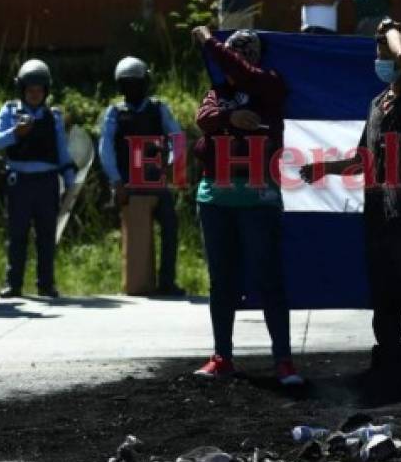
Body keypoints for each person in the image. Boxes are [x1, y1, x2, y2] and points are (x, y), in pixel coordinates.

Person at [300, 19, 401, 395]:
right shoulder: (377, 103)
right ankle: (388, 360)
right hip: (378, 210)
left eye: (383, 53)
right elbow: (361, 159)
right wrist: (323, 169)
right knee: (385, 291)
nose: (378, 59)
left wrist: (393, 28)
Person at [190, 26, 303, 387]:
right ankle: (221, 356)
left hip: (258, 198)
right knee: (221, 281)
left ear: (258, 56)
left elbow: (245, 73)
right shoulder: (218, 92)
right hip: (215, 198)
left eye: (247, 50)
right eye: (234, 50)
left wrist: (210, 42)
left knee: (269, 278)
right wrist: (229, 118)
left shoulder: (270, 84)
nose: (240, 57)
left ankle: (283, 361)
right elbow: (203, 118)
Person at [99, 57, 184, 297]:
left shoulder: (159, 108)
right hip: (129, 183)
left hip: (156, 180)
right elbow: (105, 149)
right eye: (127, 85)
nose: (132, 89)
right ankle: (138, 282)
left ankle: (167, 281)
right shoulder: (114, 112)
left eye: (136, 84)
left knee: (170, 227)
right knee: (136, 236)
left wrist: (170, 164)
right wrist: (116, 181)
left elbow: (177, 137)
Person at [0, 60, 75, 299]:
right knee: (17, 235)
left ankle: (46, 284)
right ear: (22, 90)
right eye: (30, 90)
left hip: (47, 182)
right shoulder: (10, 111)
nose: (35, 95)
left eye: (39, 90)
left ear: (46, 91)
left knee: (46, 236)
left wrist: (70, 182)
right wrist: (15, 133)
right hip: (20, 182)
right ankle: (12, 283)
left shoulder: (53, 116)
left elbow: (62, 152)